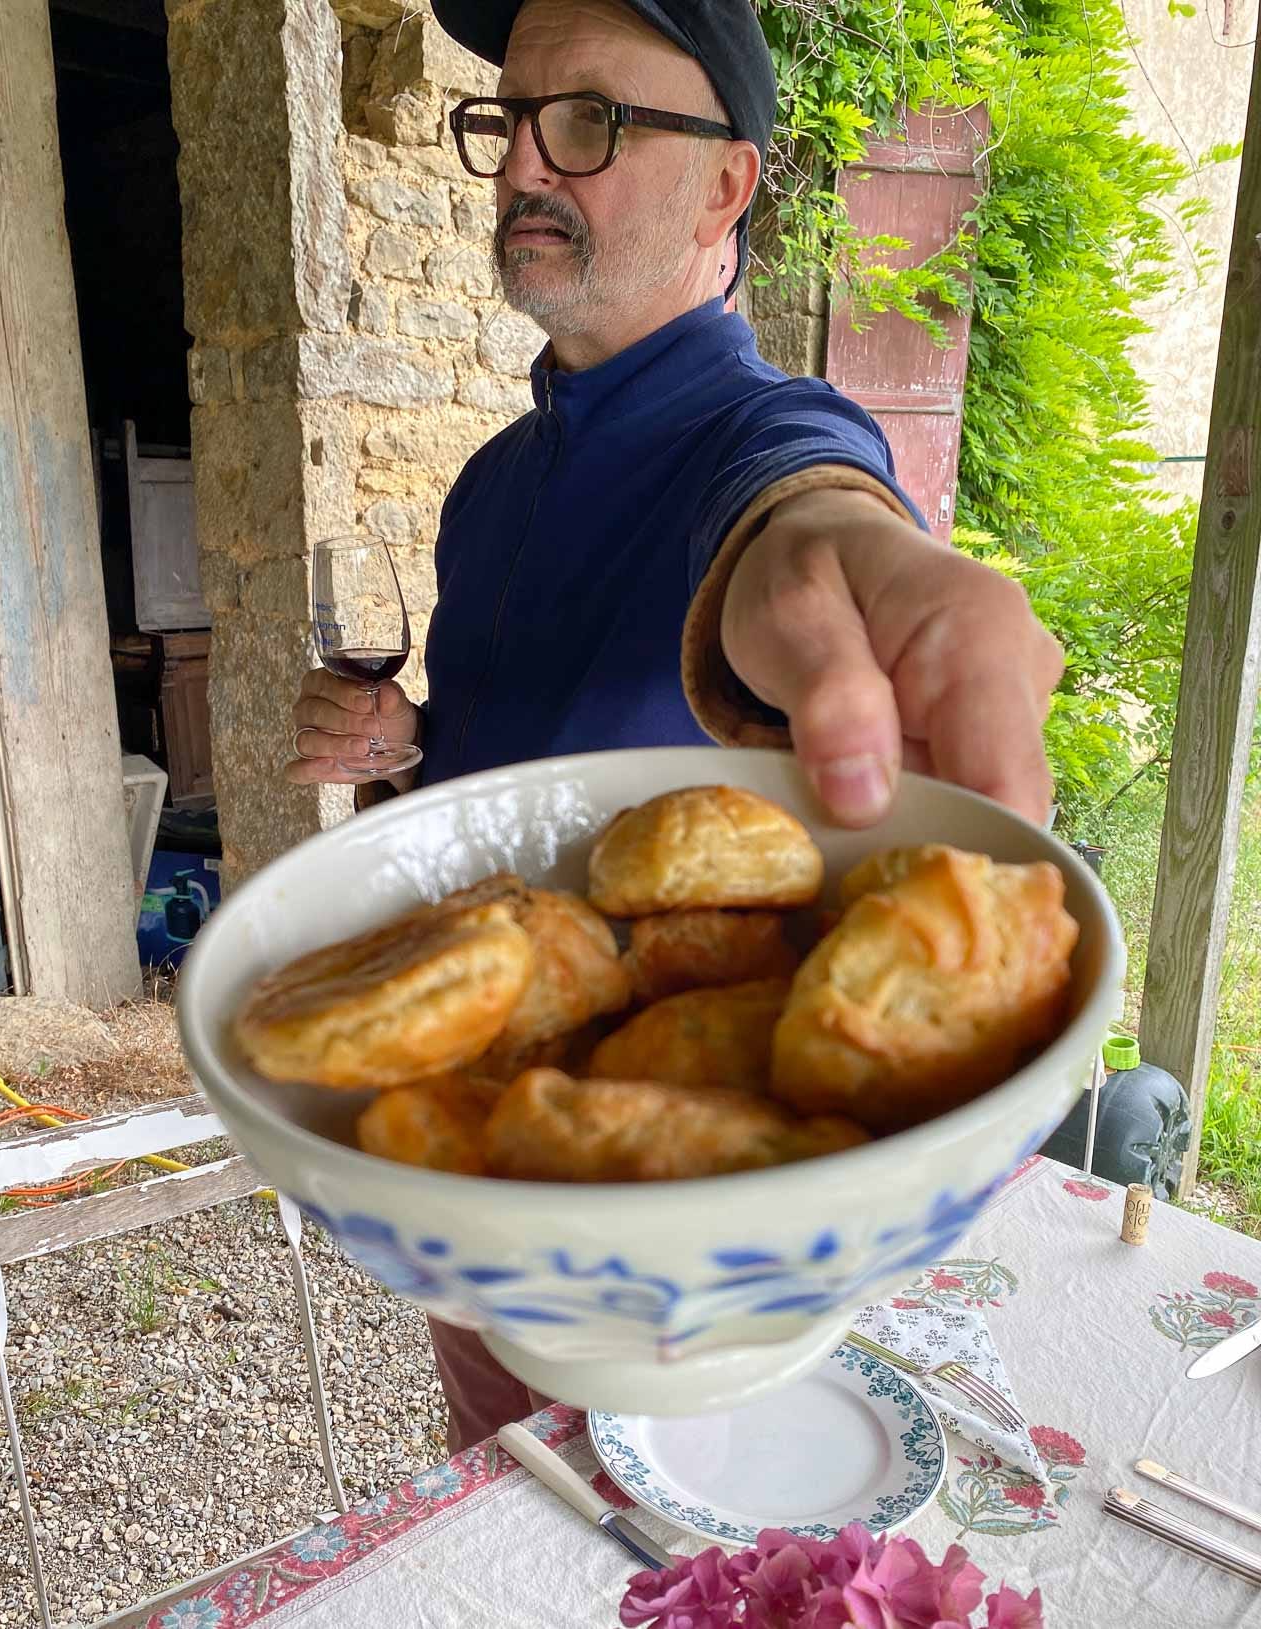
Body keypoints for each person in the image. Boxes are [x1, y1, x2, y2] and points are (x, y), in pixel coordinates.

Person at [286, 0, 1063, 1452]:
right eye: (508, 120)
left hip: (687, 1258)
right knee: (510, 1526)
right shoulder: (488, 487)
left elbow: (797, 506)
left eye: (589, 122)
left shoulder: (770, 434)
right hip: (485, 1206)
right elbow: (512, 774)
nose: (526, 165)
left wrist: (835, 546)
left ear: (728, 182)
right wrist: (407, 742)